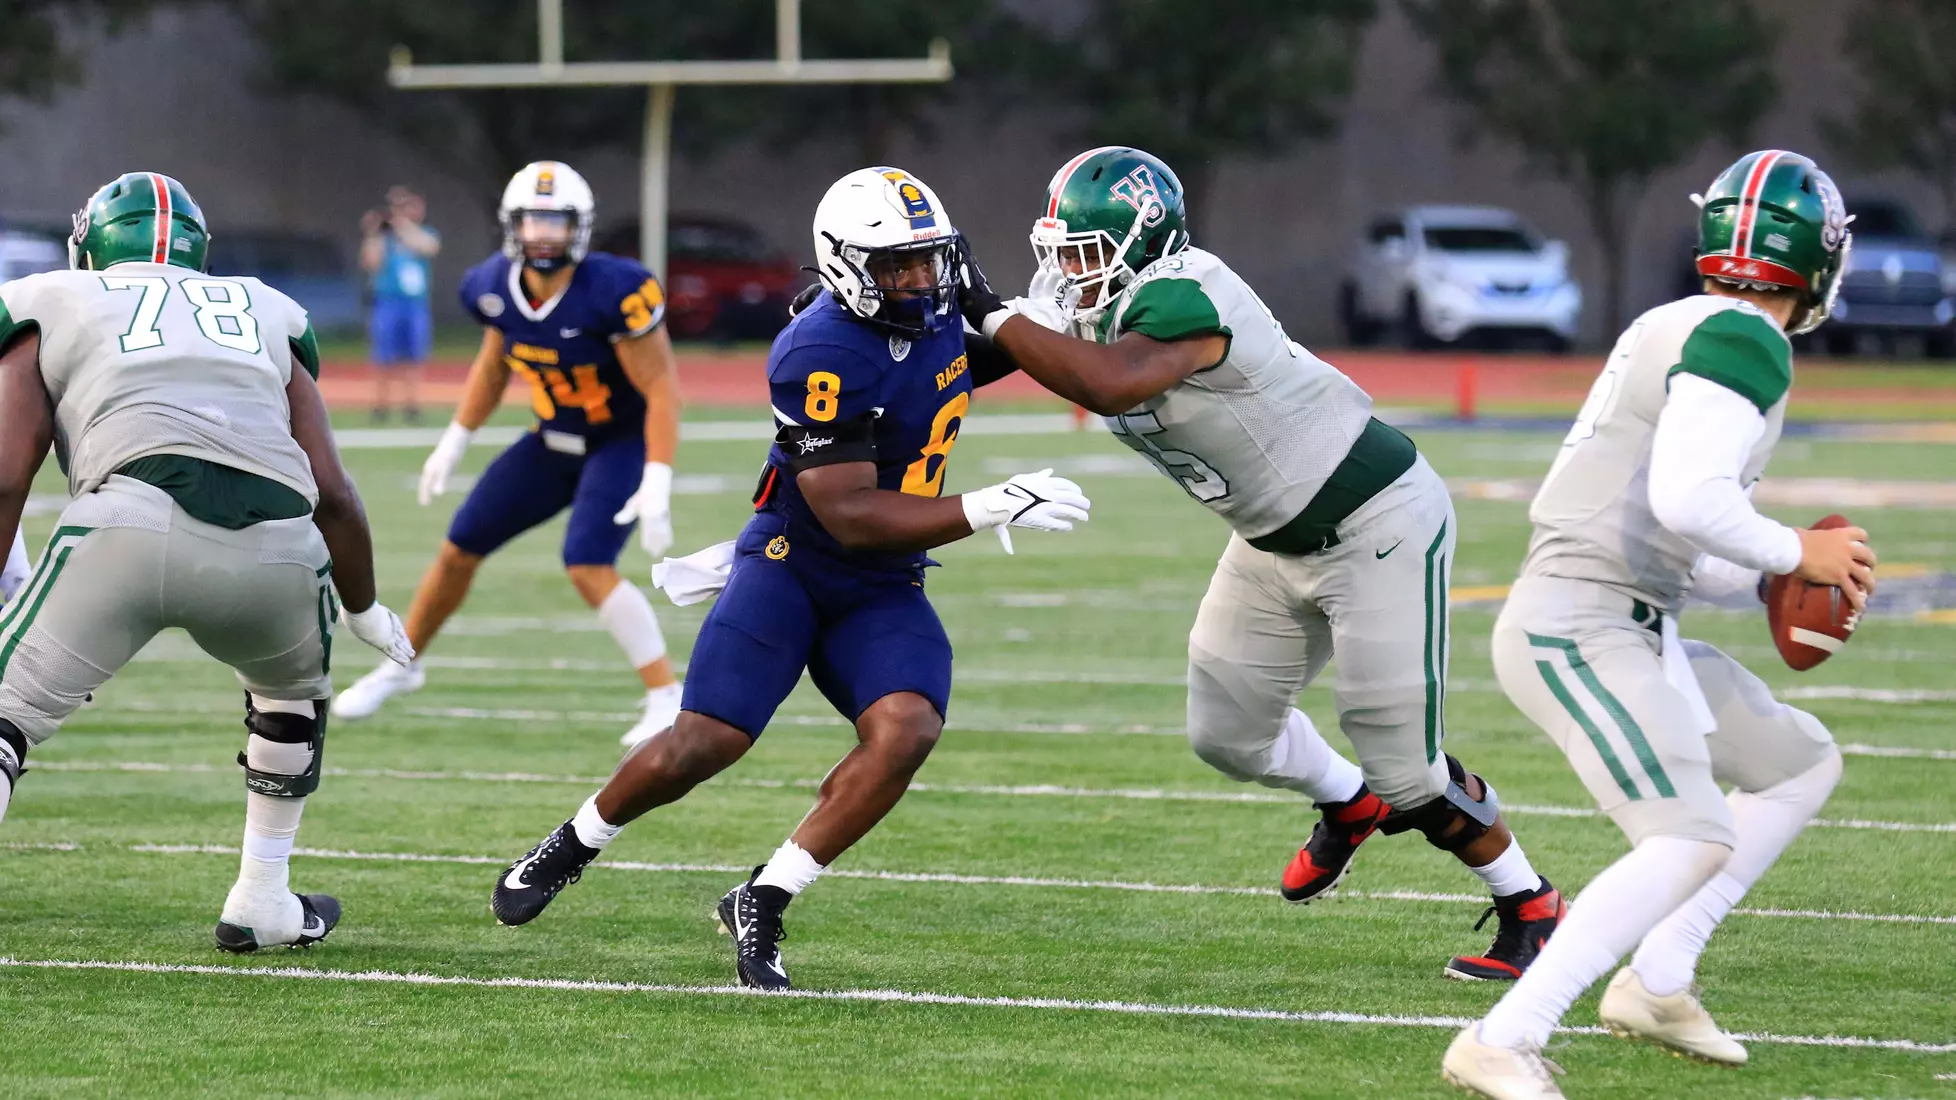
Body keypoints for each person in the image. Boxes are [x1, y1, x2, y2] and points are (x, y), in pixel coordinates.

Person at [964, 146, 1562, 981]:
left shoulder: (1186, 294)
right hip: (1267, 538)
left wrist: (987, 310)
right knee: (1228, 735)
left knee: (1407, 768)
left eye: (1084, 252)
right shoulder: (1078, 296)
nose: (1066, 270)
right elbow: (987, 353)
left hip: (1375, 520)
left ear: (1143, 241)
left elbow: (1107, 380)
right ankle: (1346, 802)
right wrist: (886, 330)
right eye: (1059, 251)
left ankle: (1529, 902)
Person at [487, 167, 1090, 991]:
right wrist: (990, 504)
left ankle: (764, 898)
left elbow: (975, 361)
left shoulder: (938, 305)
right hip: (794, 564)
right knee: (708, 741)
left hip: (884, 583)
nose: (920, 280)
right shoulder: (819, 349)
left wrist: (1024, 316)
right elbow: (850, 513)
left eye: (929, 260)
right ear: (843, 264)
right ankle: (575, 841)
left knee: (907, 729)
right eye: (898, 266)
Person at [1440, 150, 1868, 1099]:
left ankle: (1660, 979)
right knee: (1689, 837)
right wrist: (1800, 554)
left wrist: (1766, 576)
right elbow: (1685, 499)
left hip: (1631, 618)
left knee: (1799, 763)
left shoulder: (1680, 321)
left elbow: (1685, 533)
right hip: (1580, 620)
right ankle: (1505, 1036)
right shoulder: (1745, 340)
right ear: (1820, 259)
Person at [0, 172, 413, 949]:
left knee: (5, 718)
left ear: (89, 244)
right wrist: (361, 607)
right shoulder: (265, 308)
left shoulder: (49, 297)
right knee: (291, 697)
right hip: (285, 554)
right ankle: (263, 897)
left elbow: (4, 472)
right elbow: (332, 491)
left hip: (128, 524)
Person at [332, 161, 686, 747]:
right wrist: (456, 437)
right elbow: (494, 365)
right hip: (550, 439)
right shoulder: (492, 287)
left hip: (618, 443)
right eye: (533, 220)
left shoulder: (618, 289)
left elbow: (661, 388)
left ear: (581, 227)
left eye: (556, 221)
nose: (544, 234)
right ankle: (402, 664)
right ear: (511, 225)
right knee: (458, 548)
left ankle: (663, 694)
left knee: (587, 562)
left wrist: (658, 474)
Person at [360, 185, 440, 423]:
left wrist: (402, 224)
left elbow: (428, 247)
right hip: (388, 303)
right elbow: (370, 263)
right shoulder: (383, 239)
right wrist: (373, 233)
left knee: (414, 357)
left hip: (414, 304)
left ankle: (412, 405)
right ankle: (380, 406)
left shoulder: (426, 233)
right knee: (383, 357)